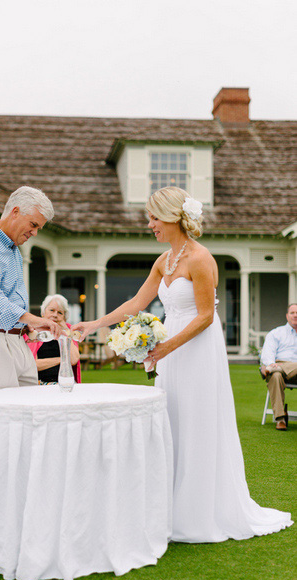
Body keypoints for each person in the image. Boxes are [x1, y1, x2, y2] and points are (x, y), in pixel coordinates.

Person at [72, 187, 292, 543]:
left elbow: (206, 316)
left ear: (174, 216)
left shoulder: (202, 259)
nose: (150, 224)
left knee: (196, 420)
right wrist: (94, 324)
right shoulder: (164, 260)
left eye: (154, 217)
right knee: (171, 419)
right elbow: (137, 302)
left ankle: (200, 511)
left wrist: (165, 348)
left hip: (196, 348)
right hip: (170, 348)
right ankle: (169, 505)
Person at [0, 186, 62, 394]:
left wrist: (25, 326)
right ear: (15, 212)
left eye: (38, 228)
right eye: (33, 225)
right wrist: (32, 319)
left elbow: (9, 298)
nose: (34, 233)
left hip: (16, 340)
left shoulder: (11, 248)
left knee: (29, 409)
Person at [26, 294, 81, 384]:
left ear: (64, 317)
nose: (55, 315)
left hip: (65, 382)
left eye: (60, 313)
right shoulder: (34, 331)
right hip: (41, 383)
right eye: (52, 310)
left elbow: (74, 359)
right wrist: (62, 360)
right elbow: (32, 364)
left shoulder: (69, 330)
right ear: (43, 313)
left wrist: (65, 330)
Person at [260, 303, 297, 430]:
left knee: (274, 371)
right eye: (292, 313)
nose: (295, 315)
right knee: (275, 375)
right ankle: (280, 419)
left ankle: (276, 369)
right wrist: (270, 364)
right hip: (279, 366)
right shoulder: (276, 333)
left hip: (290, 369)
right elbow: (267, 352)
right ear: (287, 316)